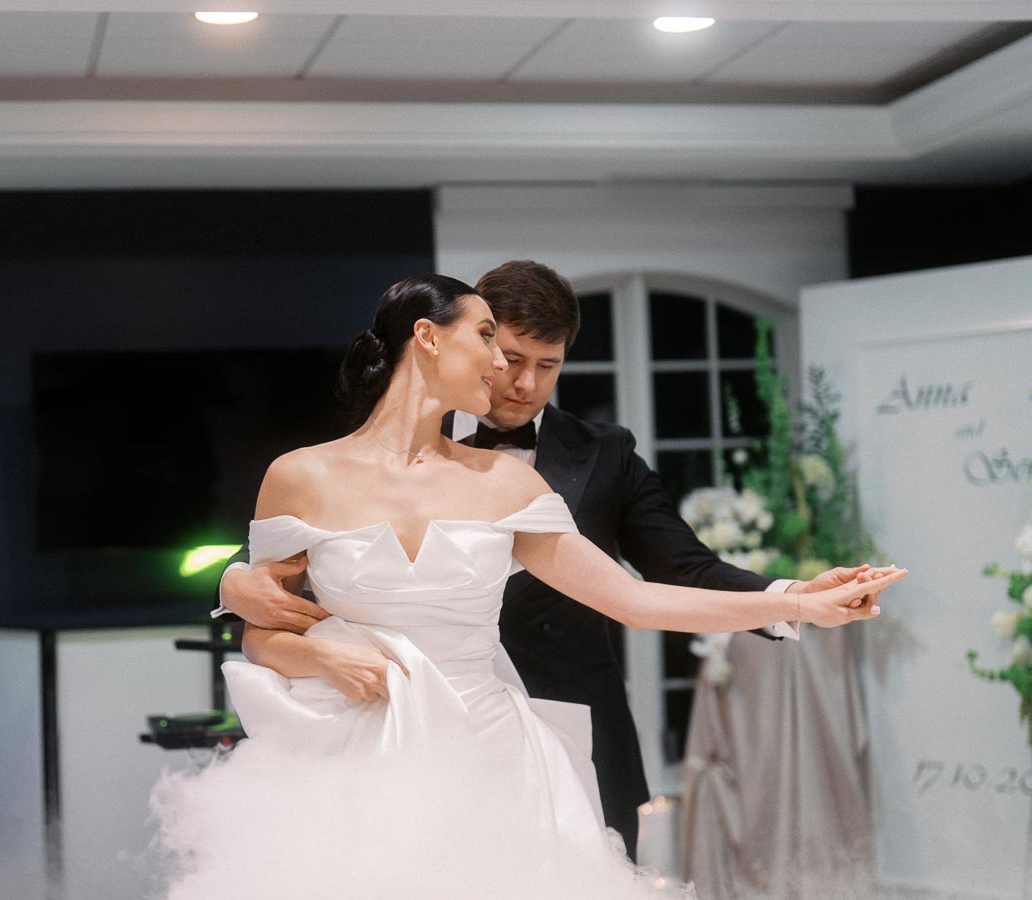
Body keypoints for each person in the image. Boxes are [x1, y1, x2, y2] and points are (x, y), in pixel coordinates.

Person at [153, 274, 905, 898]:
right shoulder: (300, 475)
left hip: (491, 750)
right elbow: (263, 630)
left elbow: (635, 598)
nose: (507, 371)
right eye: (490, 340)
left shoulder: (509, 483)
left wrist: (796, 601)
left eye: (544, 363)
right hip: (352, 749)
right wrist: (315, 652)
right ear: (427, 337)